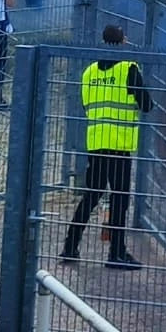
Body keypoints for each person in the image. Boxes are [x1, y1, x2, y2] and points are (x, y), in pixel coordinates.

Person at [60, 23, 153, 270]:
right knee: (120, 199)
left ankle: (70, 246)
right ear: (122, 41)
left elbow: (86, 104)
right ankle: (117, 253)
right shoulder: (128, 68)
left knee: (91, 196)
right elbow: (146, 104)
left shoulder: (89, 71)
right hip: (120, 144)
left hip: (96, 142)